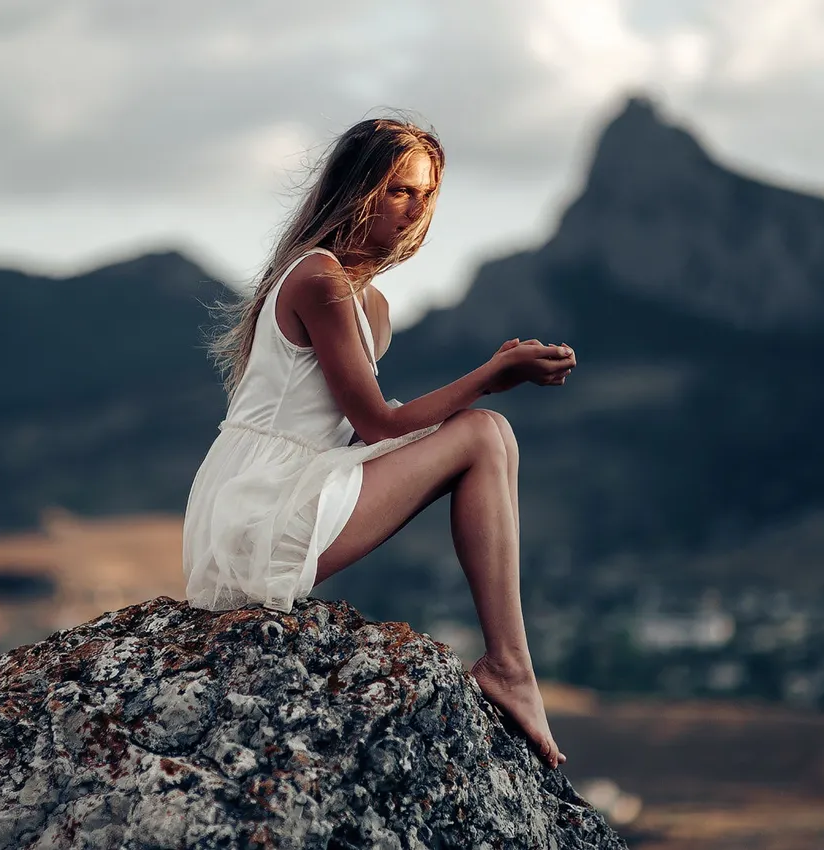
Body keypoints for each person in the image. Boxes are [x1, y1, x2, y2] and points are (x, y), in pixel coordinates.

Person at [184, 115, 576, 769]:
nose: (414, 210)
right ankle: (509, 666)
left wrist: (488, 381)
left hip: (299, 486)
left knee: (490, 434)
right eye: (399, 190)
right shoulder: (318, 279)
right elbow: (377, 427)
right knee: (483, 431)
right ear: (357, 188)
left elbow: (372, 424)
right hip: (260, 506)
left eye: (425, 196)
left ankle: (509, 665)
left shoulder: (373, 306)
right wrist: (488, 377)